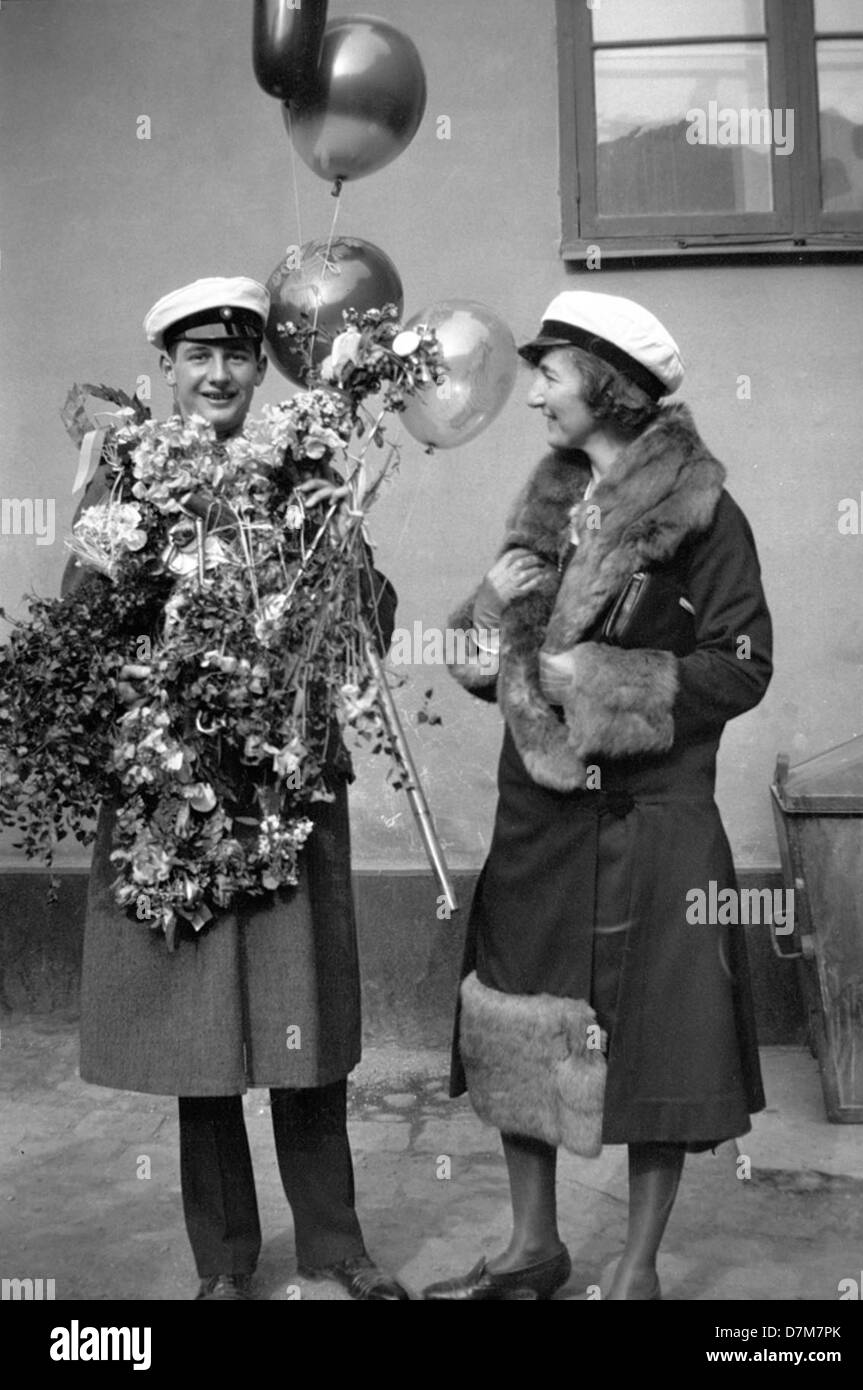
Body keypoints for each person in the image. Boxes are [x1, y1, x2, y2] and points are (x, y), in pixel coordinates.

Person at [62, 277, 409, 1301]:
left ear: (263, 367)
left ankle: (336, 1245)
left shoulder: (302, 475)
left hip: (288, 789)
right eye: (197, 356)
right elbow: (80, 622)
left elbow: (368, 633)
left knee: (305, 1024)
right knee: (199, 1033)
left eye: (238, 355)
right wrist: (114, 542)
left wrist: (343, 550)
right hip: (176, 792)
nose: (219, 374)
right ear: (165, 370)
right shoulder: (122, 478)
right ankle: (223, 1261)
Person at [424, 291, 772, 1301]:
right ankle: (535, 1249)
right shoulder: (551, 506)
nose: (532, 394)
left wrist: (606, 680)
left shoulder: (705, 518)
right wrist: (489, 602)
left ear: (608, 383)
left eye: (552, 372)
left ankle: (637, 1271)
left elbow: (742, 666)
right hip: (539, 811)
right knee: (518, 1019)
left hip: (651, 816)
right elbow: (492, 657)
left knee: (659, 1032)